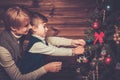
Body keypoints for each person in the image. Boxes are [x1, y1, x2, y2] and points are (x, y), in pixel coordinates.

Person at [0, 6, 62, 80]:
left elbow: (45, 39)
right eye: (26, 25)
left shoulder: (22, 31)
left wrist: (72, 42)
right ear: (13, 28)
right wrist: (46, 69)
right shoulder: (3, 49)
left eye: (30, 23)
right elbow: (18, 78)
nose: (30, 27)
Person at [19, 12, 86, 74]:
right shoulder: (36, 44)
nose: (47, 29)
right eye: (44, 26)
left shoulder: (40, 39)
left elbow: (54, 40)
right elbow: (54, 50)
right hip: (28, 75)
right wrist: (73, 51)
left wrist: (72, 42)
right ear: (34, 28)